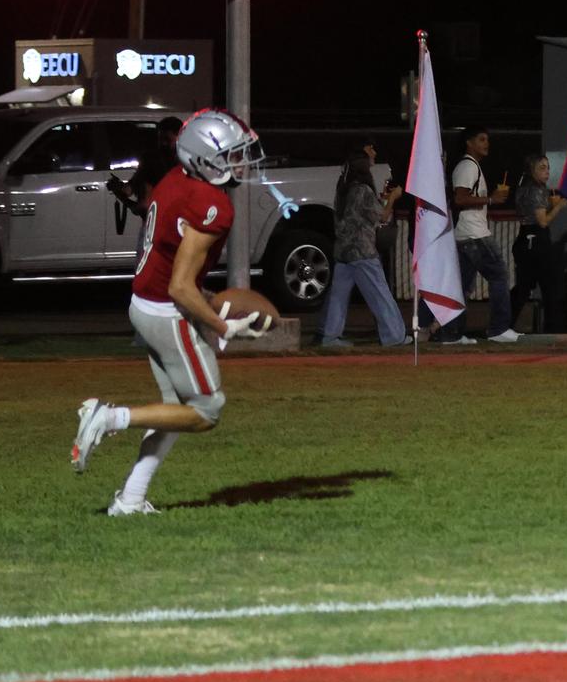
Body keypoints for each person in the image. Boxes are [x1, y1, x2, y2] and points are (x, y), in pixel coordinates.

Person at [69, 109, 278, 515]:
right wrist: (223, 326)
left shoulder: (175, 180)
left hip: (143, 304)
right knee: (206, 411)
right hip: (166, 310)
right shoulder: (211, 203)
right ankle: (108, 417)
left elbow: (176, 266)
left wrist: (209, 303)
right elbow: (180, 286)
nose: (240, 164)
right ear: (204, 159)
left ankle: (130, 499)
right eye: (232, 155)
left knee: (174, 411)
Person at [432, 125, 520, 344]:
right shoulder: (468, 167)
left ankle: (452, 334)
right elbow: (460, 198)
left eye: (486, 139)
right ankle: (499, 328)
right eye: (481, 139)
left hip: (464, 235)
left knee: (461, 286)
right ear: (469, 143)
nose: (486, 143)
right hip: (475, 234)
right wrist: (491, 200)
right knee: (499, 276)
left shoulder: (469, 166)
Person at [318, 139, 407, 347]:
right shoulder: (363, 190)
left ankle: (330, 337)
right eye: (369, 154)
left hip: (343, 250)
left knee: (339, 296)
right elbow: (382, 217)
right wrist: (393, 198)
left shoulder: (343, 186)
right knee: (380, 294)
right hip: (362, 250)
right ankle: (395, 337)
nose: (373, 155)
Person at [509, 151, 567, 332]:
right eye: (542, 168)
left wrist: (550, 204)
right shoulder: (536, 189)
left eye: (548, 168)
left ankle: (504, 323)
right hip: (535, 240)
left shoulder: (524, 187)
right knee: (549, 286)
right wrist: (558, 206)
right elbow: (542, 221)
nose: (547, 172)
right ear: (532, 170)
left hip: (525, 238)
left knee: (524, 287)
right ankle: (553, 327)